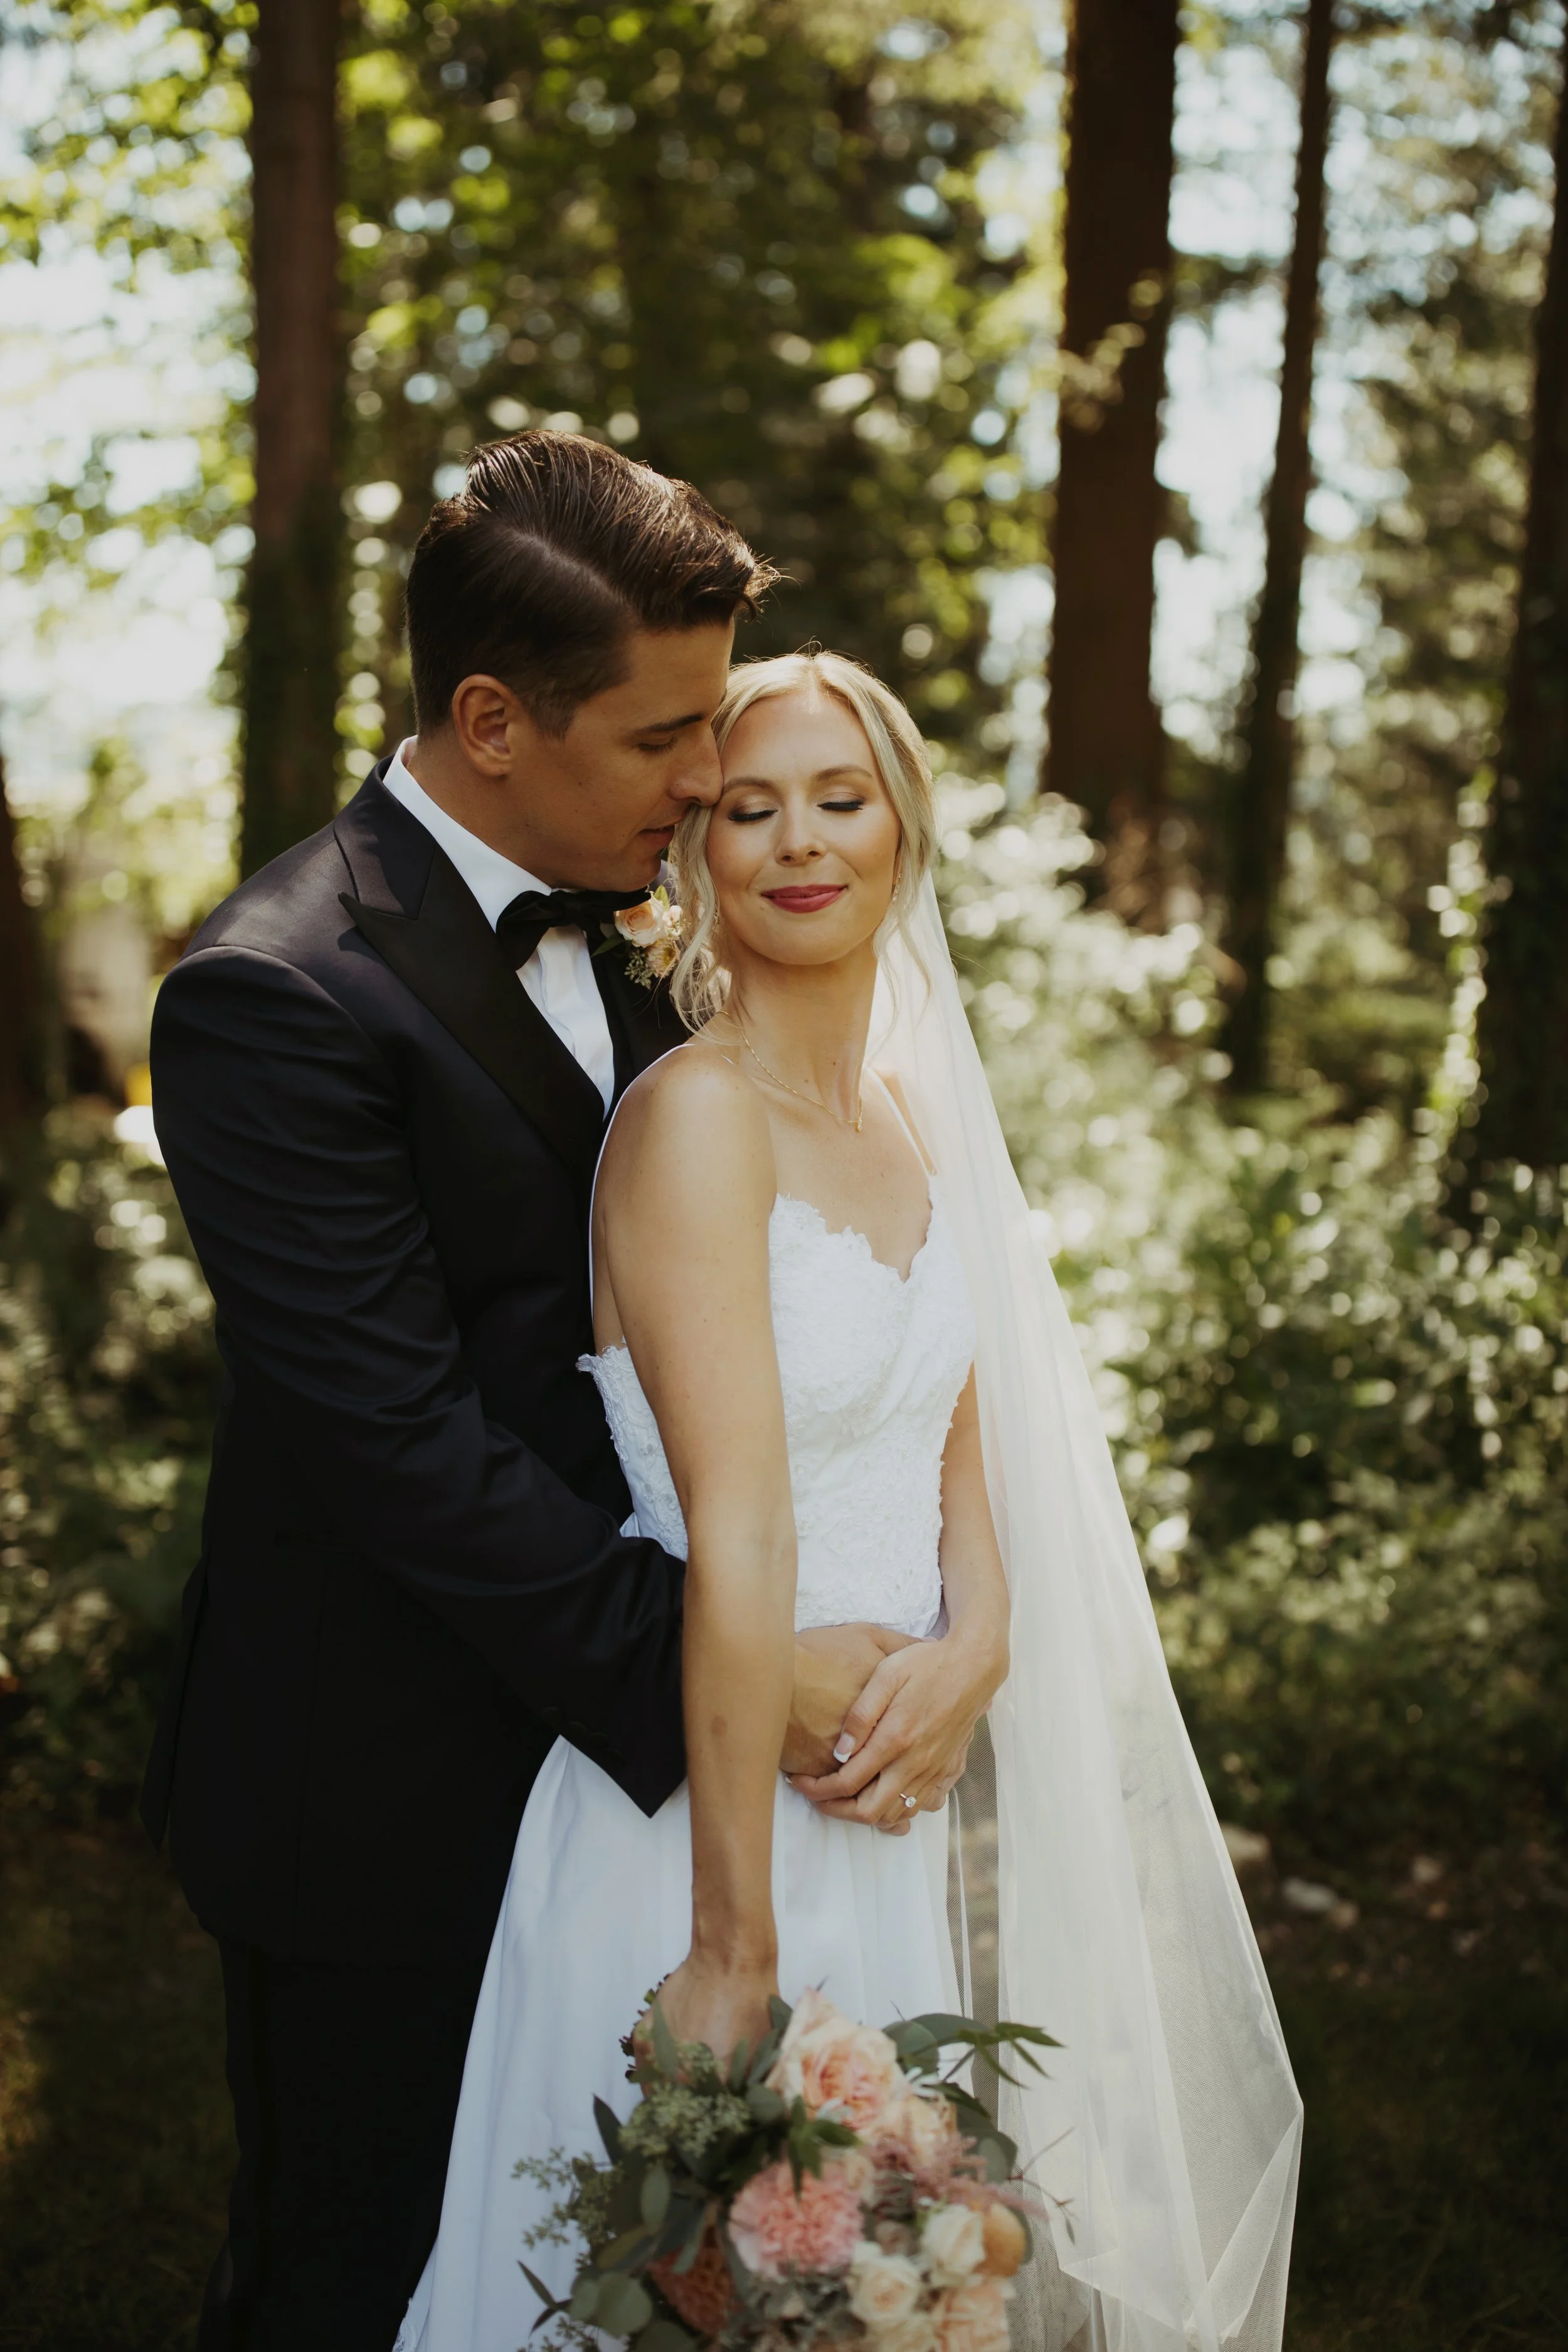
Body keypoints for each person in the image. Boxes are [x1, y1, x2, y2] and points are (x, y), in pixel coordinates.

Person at [396, 652, 1305, 2352]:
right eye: (747, 807)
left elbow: (966, 1449)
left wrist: (982, 1641)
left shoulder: (906, 1120)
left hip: (881, 1817)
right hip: (699, 1824)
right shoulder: (694, 1124)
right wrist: (730, 1942)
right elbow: (737, 1527)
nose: (797, 841)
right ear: (694, 851)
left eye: (838, 797)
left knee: (857, 2303)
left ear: (904, 827)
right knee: (650, 2308)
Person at [142, 437, 934, 2352]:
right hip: (388, 1786)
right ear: (490, 718)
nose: (706, 783)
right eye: (667, 739)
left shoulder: (667, 939)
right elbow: (397, 1446)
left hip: (656, 1797)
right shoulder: (277, 991)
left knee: (671, 2284)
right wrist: (737, 1667)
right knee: (372, 2280)